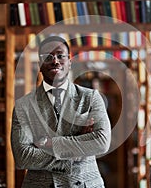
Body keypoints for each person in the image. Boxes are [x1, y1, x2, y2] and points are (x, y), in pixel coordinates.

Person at [11, 36, 111, 188]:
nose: (55, 61)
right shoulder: (23, 106)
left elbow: (101, 142)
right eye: (48, 57)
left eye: (60, 55)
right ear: (39, 64)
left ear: (69, 62)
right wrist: (76, 153)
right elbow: (23, 156)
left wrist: (50, 144)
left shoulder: (91, 98)